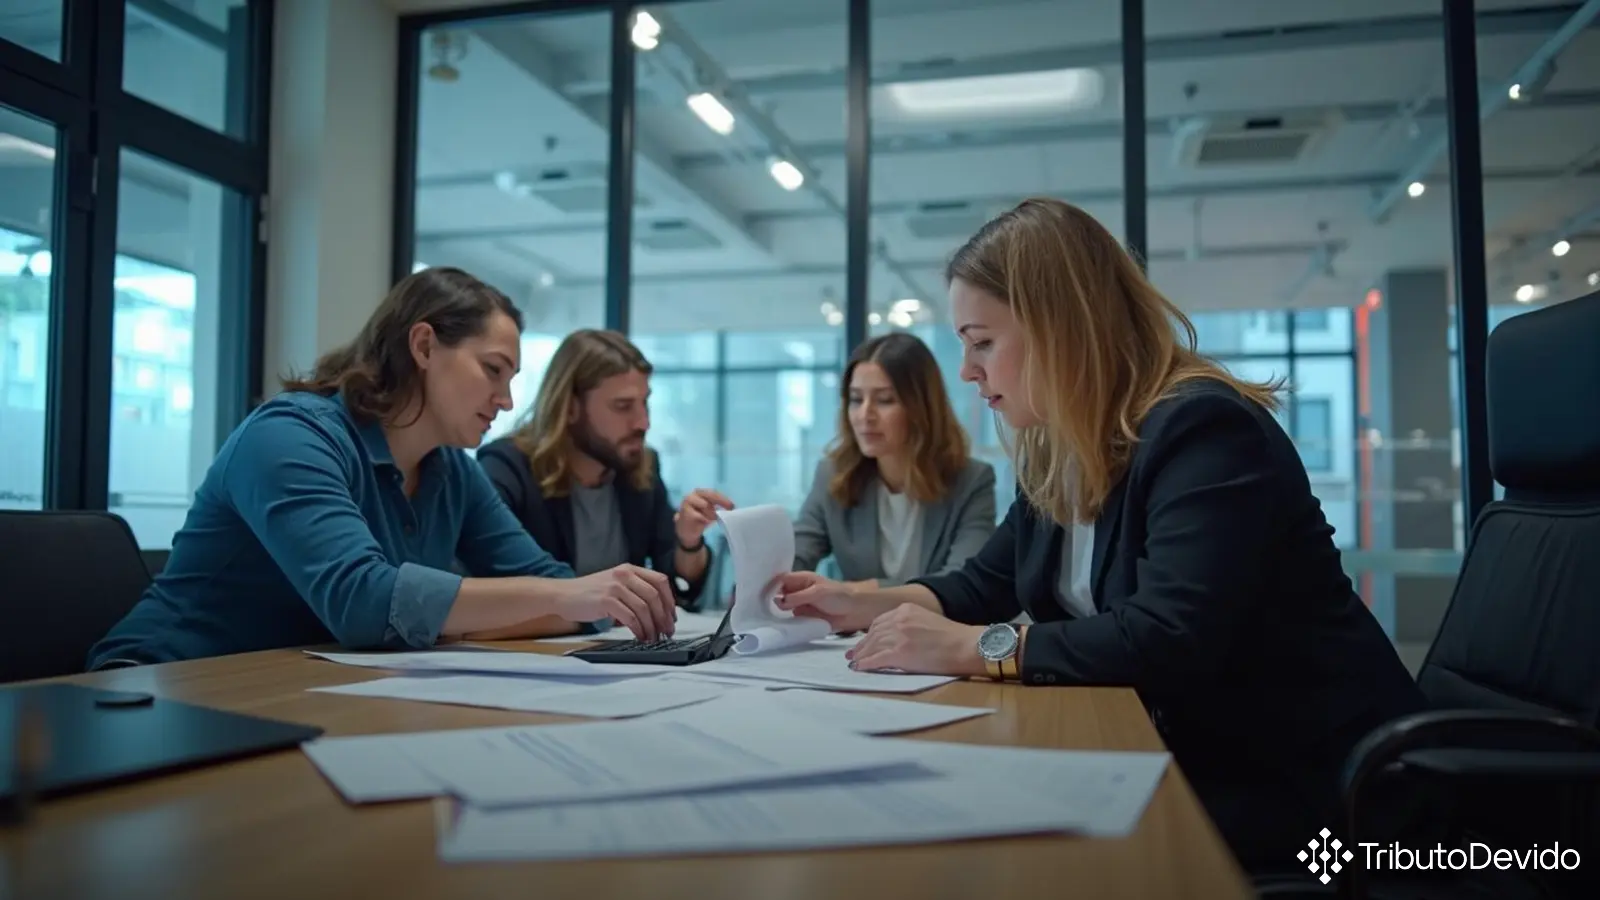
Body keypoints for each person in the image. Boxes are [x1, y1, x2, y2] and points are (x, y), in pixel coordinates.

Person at [775, 198, 1425, 871]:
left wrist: (980, 647)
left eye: (983, 342)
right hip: (1187, 756)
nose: (968, 370)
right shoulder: (1063, 448)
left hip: (1315, 793)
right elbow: (983, 583)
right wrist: (858, 603)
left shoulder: (1202, 429)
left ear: (1060, 328)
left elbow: (1170, 634)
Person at [86, 268, 677, 670]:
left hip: (302, 686)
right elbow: (364, 603)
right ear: (423, 347)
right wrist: (566, 599)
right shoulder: (289, 437)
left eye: (512, 379)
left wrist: (559, 602)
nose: (505, 399)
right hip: (158, 685)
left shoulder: (451, 471)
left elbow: (557, 589)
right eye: (493, 369)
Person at [475, 329, 731, 637]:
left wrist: (689, 543)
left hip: (610, 651)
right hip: (530, 652)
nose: (643, 423)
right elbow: (488, 590)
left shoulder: (639, 468)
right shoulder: (508, 469)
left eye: (644, 403)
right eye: (622, 407)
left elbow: (678, 587)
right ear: (570, 407)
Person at [792, 331, 996, 588]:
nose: (865, 415)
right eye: (856, 399)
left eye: (885, 400)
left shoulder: (971, 481)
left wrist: (853, 593)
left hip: (936, 627)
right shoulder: (833, 475)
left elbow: (964, 583)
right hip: (863, 629)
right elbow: (797, 554)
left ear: (921, 407)